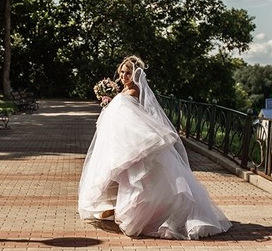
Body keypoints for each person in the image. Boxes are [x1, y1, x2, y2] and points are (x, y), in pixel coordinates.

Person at [78, 55, 231, 240]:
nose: (125, 76)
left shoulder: (134, 92)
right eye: (122, 72)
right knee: (131, 180)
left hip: (132, 143)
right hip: (123, 143)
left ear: (135, 75)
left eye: (128, 73)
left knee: (139, 181)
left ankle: (144, 216)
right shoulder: (124, 92)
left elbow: (130, 120)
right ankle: (124, 211)